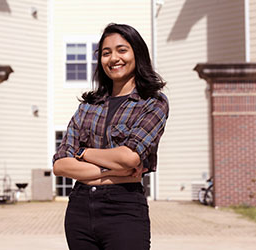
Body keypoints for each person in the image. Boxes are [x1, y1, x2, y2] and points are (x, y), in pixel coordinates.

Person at [53, 23, 169, 250]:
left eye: (122, 50)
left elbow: (129, 158)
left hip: (124, 209)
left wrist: (84, 153)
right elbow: (61, 165)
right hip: (79, 209)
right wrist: (117, 171)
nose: (114, 58)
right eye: (106, 53)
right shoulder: (88, 107)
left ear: (137, 53)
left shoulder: (153, 103)